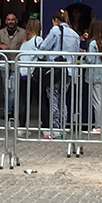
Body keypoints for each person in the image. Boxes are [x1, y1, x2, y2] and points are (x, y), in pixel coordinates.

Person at [39, 9, 81, 139]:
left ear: (56, 20)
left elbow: (43, 48)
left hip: (55, 69)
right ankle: (63, 129)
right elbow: (76, 54)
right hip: (69, 70)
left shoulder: (55, 30)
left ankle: (55, 130)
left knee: (53, 98)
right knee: (63, 100)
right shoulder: (75, 34)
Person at [0, 12, 25, 118]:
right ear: (6, 21)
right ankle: (11, 111)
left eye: (12, 19)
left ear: (16, 21)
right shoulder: (0, 33)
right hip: (4, 65)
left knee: (13, 89)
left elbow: (26, 46)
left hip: (16, 64)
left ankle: (9, 112)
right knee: (6, 89)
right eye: (8, 19)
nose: (11, 22)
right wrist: (0, 47)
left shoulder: (23, 33)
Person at [16, 18, 44, 131]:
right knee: (41, 101)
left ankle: (21, 128)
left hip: (23, 75)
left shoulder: (24, 43)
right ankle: (45, 127)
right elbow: (41, 56)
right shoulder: (38, 40)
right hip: (34, 74)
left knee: (24, 102)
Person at [85, 18, 102, 133]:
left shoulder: (93, 43)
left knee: (96, 101)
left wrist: (85, 55)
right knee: (101, 100)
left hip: (94, 74)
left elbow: (90, 60)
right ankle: (101, 124)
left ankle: (98, 126)